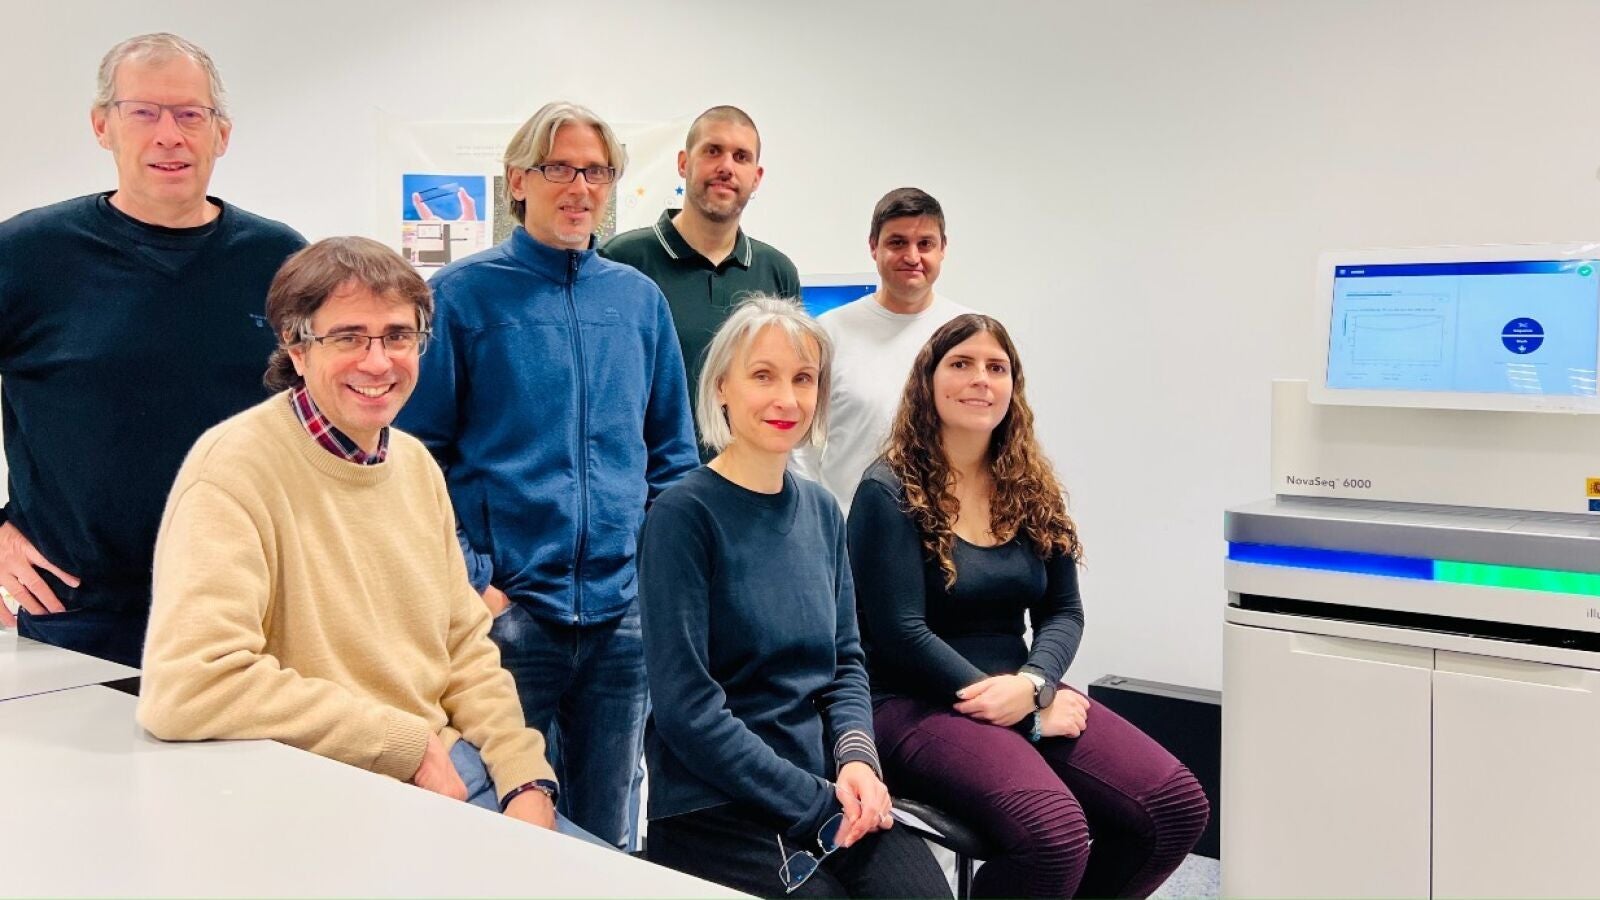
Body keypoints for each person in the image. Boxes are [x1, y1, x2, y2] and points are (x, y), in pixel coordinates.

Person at [137, 237, 598, 839]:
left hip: (449, 767)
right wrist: (402, 742)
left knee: (614, 875)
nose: (378, 363)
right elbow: (189, 685)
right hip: (333, 791)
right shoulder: (234, 469)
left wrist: (525, 778)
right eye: (349, 337)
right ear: (296, 347)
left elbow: (464, 649)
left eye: (398, 336)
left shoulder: (414, 465)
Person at [395, 101, 699, 849]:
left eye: (596, 172)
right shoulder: (462, 297)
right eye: (559, 168)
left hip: (620, 620)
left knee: (609, 831)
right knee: (504, 829)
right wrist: (477, 580)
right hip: (509, 617)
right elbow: (416, 458)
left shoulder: (638, 302)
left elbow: (672, 457)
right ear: (517, 181)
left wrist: (654, 582)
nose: (579, 187)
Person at [848, 314, 1210, 897]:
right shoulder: (888, 490)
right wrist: (1028, 712)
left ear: (1013, 387)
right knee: (1054, 834)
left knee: (1174, 808)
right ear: (927, 381)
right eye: (961, 364)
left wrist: (1035, 684)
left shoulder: (1031, 487)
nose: (980, 379)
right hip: (913, 701)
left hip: (1021, 686)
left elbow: (1064, 611)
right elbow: (900, 632)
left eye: (996, 368)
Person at [0, 33, 304, 664]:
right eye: (143, 112)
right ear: (102, 125)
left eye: (190, 114)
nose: (170, 135)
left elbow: (320, 420)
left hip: (247, 606)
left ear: (221, 134)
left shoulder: (279, 260)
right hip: (76, 614)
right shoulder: (27, 255)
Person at [638, 296, 948, 898]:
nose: (787, 399)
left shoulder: (823, 511)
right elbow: (688, 711)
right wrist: (817, 804)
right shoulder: (683, 516)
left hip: (824, 785)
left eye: (804, 379)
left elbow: (845, 664)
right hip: (714, 803)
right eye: (763, 376)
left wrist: (858, 762)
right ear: (722, 387)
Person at [601, 105, 800, 455]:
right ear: (683, 163)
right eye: (712, 151)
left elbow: (785, 388)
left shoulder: (777, 271)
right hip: (651, 482)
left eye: (741, 156)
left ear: (756, 176)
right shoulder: (621, 261)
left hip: (747, 480)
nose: (726, 166)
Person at [792, 187, 970, 513]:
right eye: (897, 242)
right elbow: (802, 445)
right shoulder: (829, 333)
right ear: (874, 246)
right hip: (849, 531)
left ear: (943, 248)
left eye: (925, 244)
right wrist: (818, 521)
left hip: (946, 529)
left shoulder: (969, 336)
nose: (912, 257)